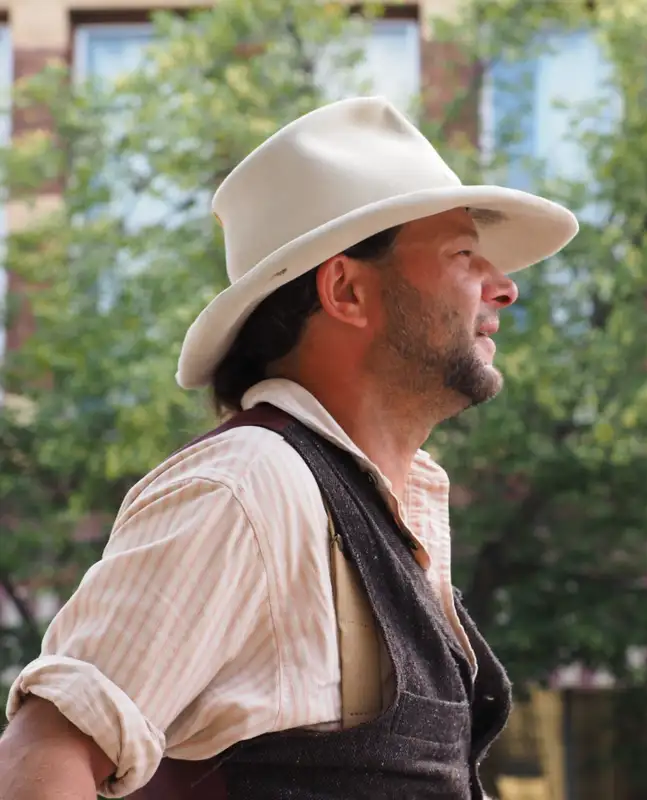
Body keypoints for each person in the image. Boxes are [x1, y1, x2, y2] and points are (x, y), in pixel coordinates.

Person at [0, 96, 578, 799]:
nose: (505, 288)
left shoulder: (373, 502)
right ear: (346, 290)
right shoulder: (249, 485)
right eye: (462, 254)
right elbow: (42, 755)